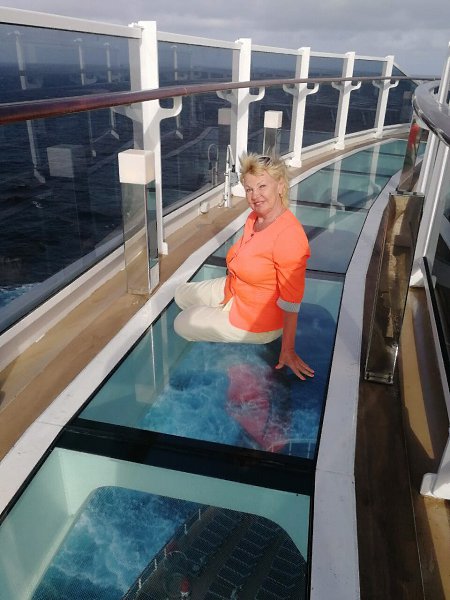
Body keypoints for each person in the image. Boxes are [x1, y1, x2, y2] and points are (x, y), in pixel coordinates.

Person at [174, 153, 314, 380]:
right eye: (249, 189)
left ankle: (220, 324)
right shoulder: (255, 218)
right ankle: (215, 313)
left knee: (181, 323)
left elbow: (291, 302)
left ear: (280, 185)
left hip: (258, 319)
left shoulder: (290, 237)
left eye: (262, 186)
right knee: (180, 294)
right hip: (236, 289)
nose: (255, 195)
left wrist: (287, 349)